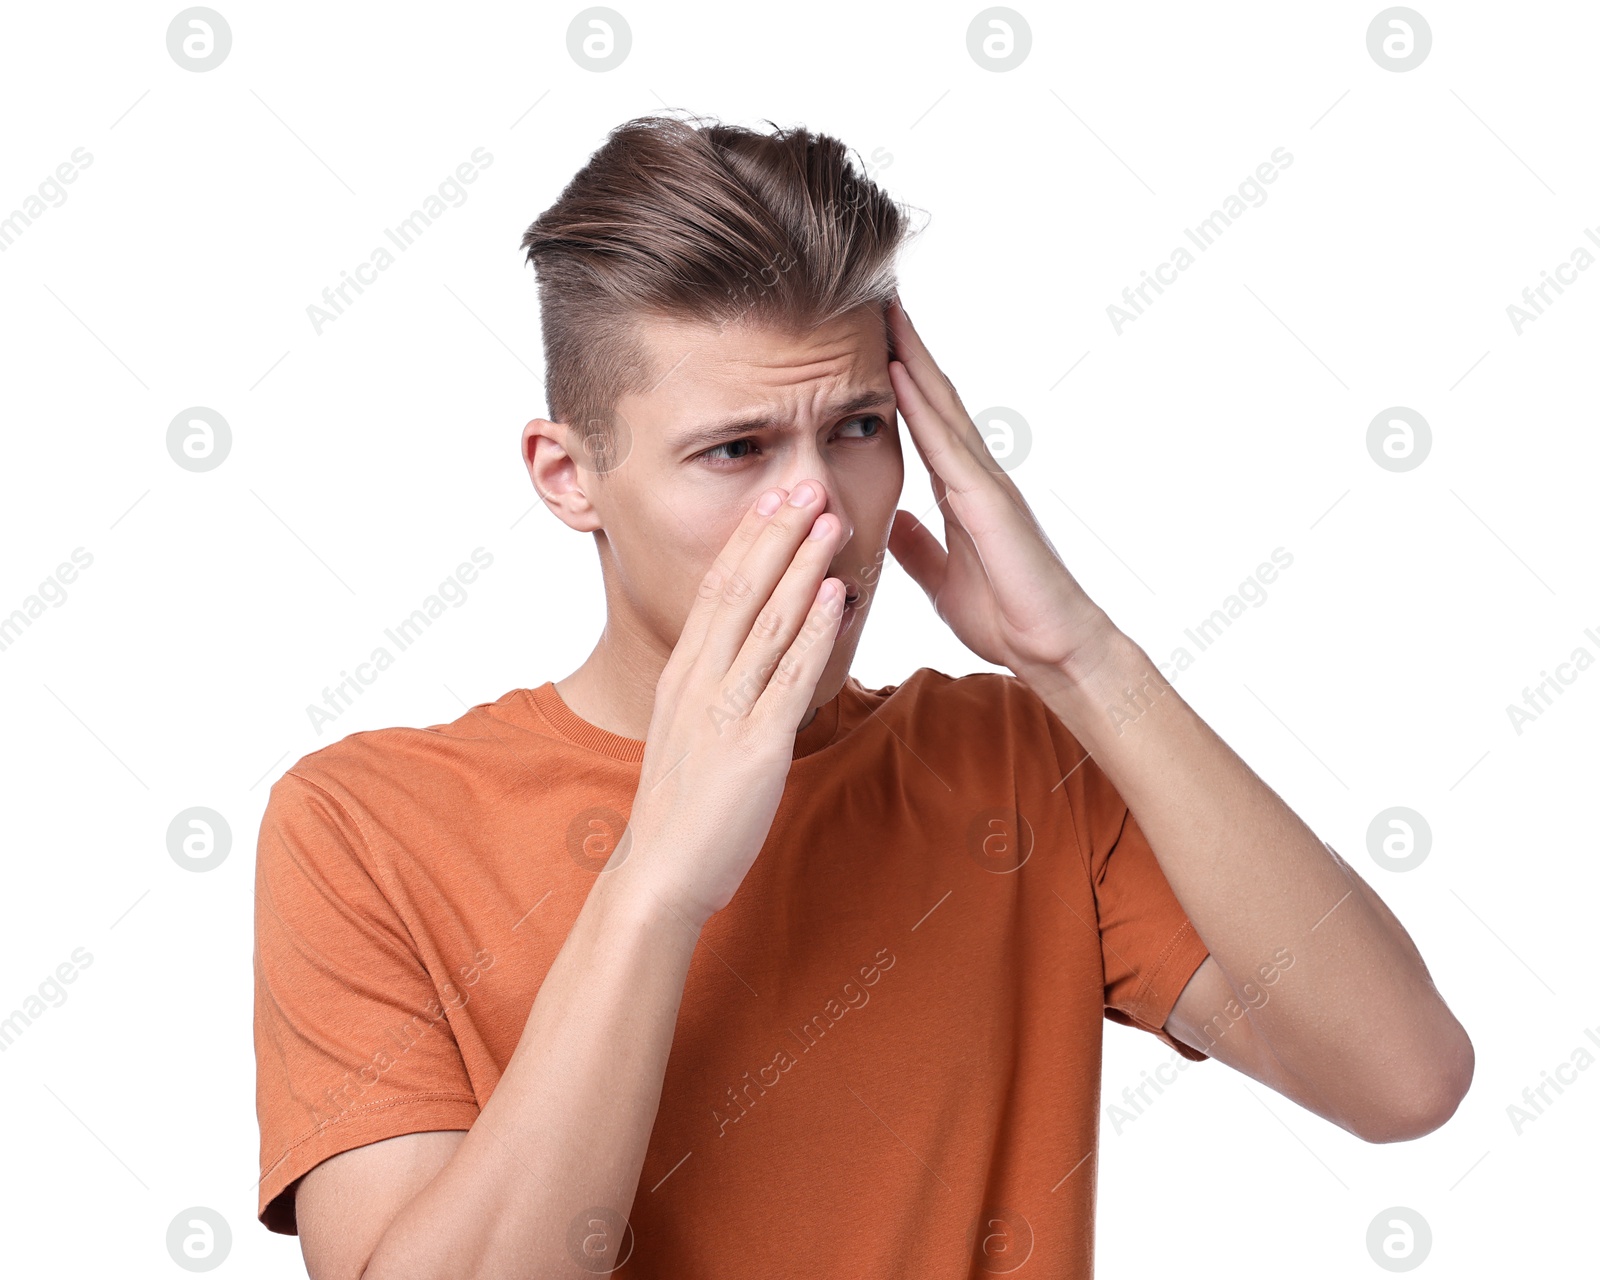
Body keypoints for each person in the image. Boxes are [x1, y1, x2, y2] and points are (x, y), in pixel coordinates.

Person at [253, 112, 1474, 1279]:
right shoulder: (364, 821)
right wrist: (657, 882)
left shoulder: (1011, 759)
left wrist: (1082, 662)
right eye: (735, 449)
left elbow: (1402, 1079)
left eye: (856, 426)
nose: (824, 511)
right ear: (569, 477)